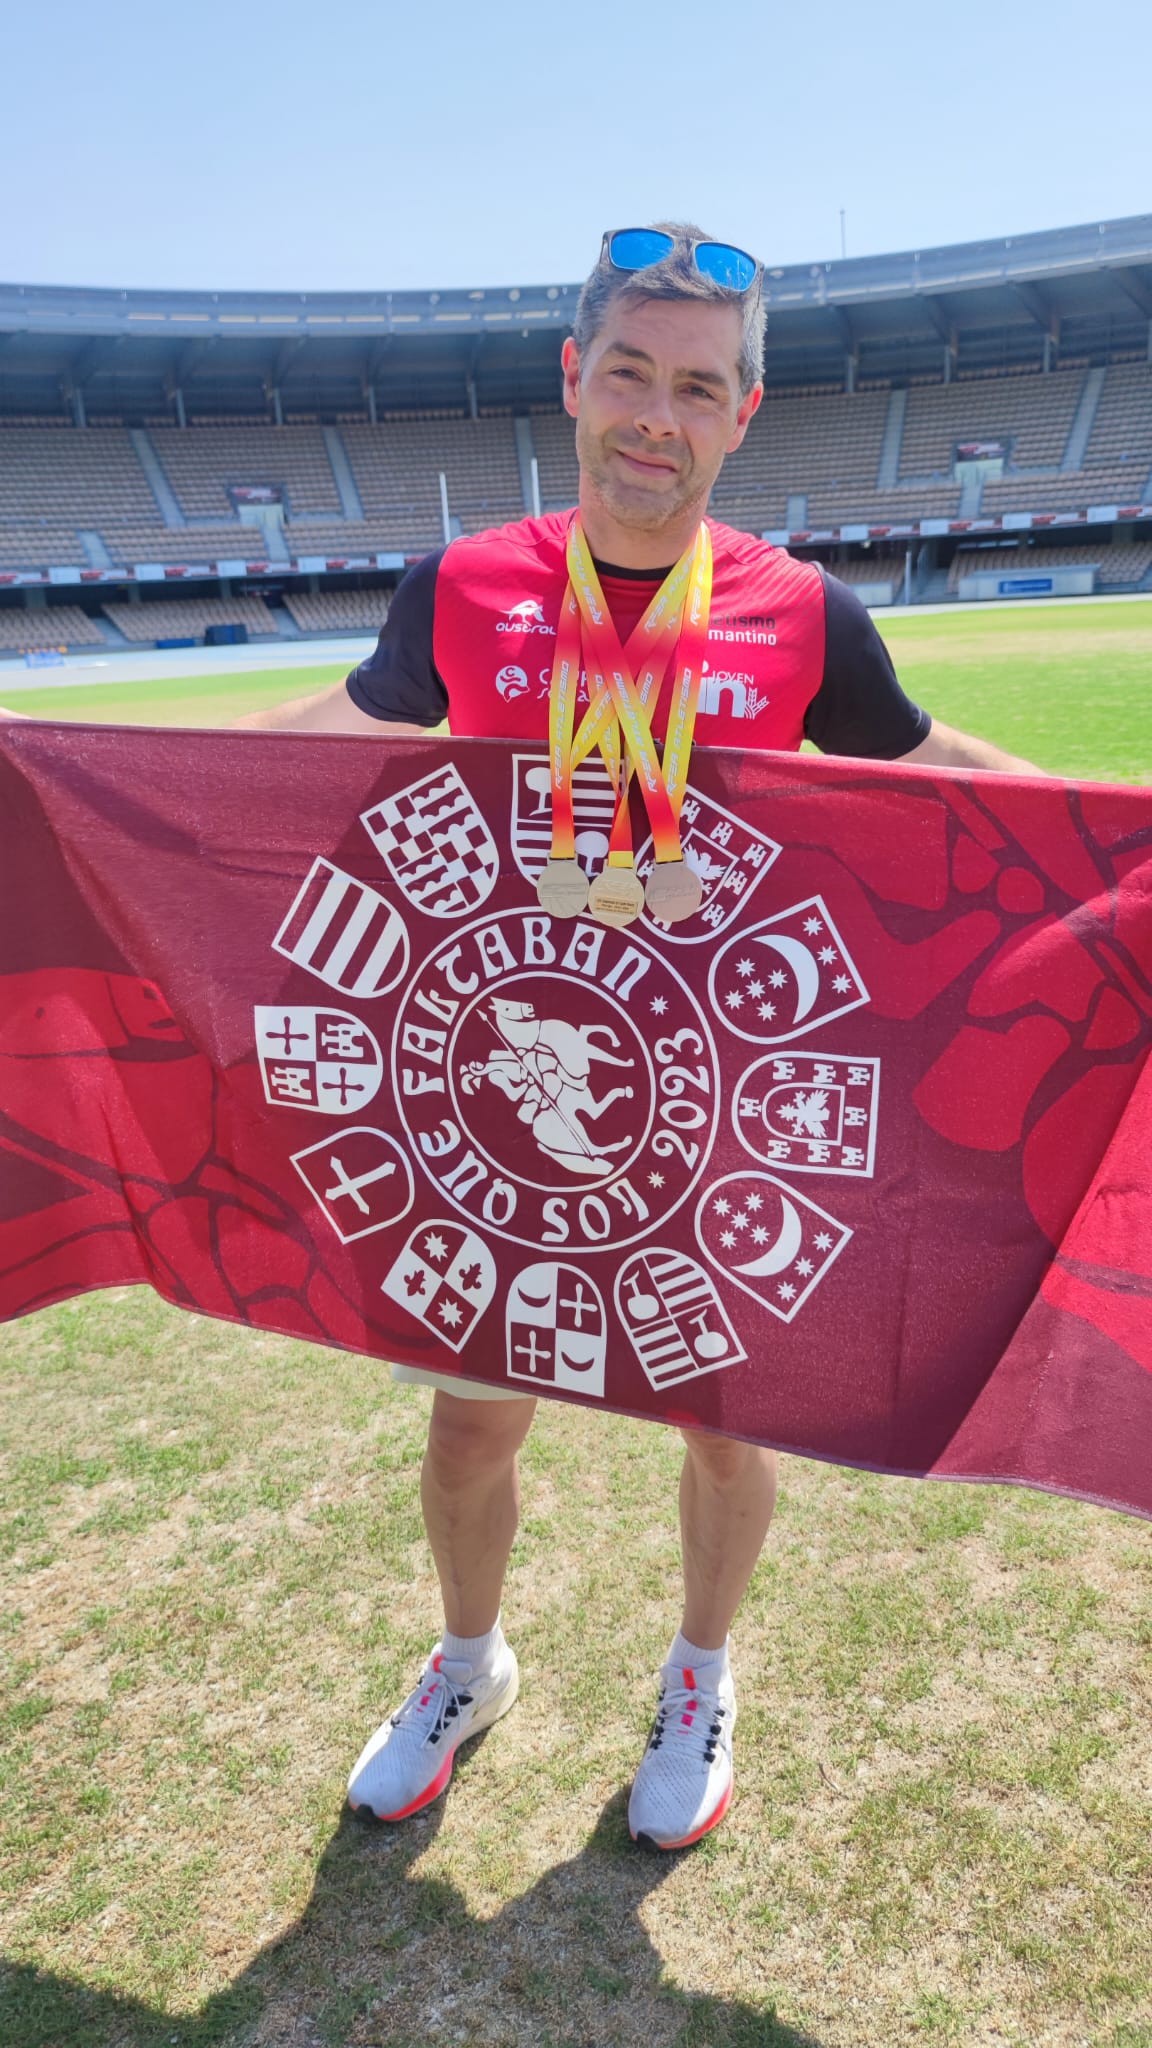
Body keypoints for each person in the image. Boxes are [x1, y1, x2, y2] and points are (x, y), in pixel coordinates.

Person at [1, 225, 1040, 1852]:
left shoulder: (805, 616)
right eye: (629, 370)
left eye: (698, 386)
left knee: (725, 1419)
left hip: (712, 1107)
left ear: (742, 415)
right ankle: (470, 1662)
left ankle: (702, 1675)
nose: (657, 414)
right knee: (472, 1417)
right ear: (575, 379)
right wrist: (73, 786)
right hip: (502, 1104)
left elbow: (929, 766)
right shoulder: (466, 586)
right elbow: (308, 750)